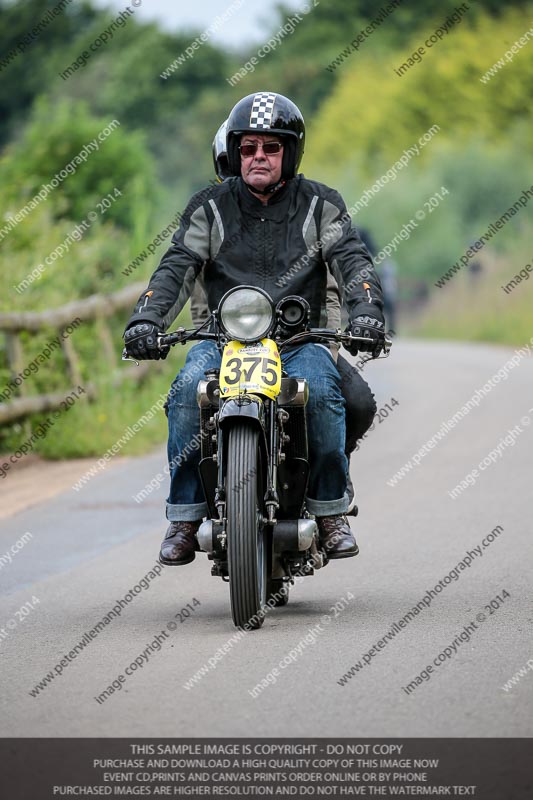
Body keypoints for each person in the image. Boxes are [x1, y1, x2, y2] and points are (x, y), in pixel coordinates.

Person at [124, 91, 385, 566]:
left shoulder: (321, 204)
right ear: (235, 153)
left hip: (298, 340)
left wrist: (365, 310)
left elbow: (353, 261)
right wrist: (147, 318)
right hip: (222, 342)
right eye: (248, 148)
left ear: (291, 152)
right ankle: (184, 516)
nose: (258, 157)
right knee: (186, 390)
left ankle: (329, 511)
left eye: (270, 147)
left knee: (331, 395)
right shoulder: (209, 207)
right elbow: (175, 267)